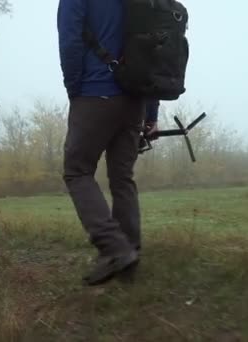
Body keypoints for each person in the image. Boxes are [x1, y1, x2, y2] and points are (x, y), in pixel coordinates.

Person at [57, 0, 159, 286]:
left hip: (94, 92)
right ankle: (130, 260)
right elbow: (153, 55)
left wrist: (74, 90)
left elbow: (69, 40)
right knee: (122, 178)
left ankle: (115, 249)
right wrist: (151, 113)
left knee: (77, 171)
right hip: (136, 100)